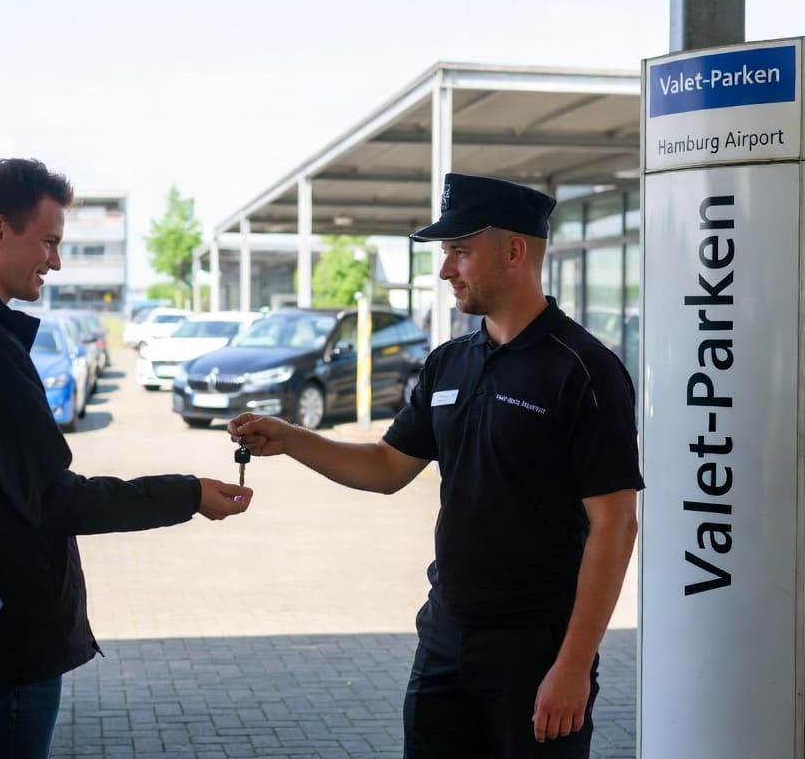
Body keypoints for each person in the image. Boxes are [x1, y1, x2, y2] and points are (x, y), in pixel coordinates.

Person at [228, 172, 643, 758]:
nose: (445, 269)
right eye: (446, 254)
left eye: (459, 252)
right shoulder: (449, 362)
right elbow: (388, 466)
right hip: (446, 638)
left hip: (536, 650)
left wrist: (573, 667)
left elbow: (615, 524)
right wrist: (292, 439)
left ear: (514, 251)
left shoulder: (583, 370)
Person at [0, 158, 253, 759]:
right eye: (49, 242)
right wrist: (187, 493)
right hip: (5, 643)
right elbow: (56, 499)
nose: (55, 263)